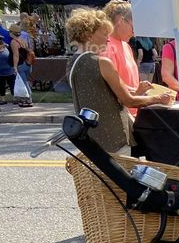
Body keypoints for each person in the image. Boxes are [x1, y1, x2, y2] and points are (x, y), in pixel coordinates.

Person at [65, 8, 171, 154]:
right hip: (114, 137)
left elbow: (101, 93)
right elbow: (129, 101)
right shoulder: (102, 63)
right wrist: (158, 98)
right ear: (89, 35)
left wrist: (136, 91)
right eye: (104, 34)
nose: (107, 39)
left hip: (90, 137)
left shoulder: (72, 63)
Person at [101, 1, 140, 116]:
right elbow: (112, 86)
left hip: (133, 111)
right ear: (121, 21)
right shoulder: (107, 47)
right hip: (121, 114)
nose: (134, 34)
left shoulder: (125, 45)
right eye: (133, 28)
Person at [8, 24, 32, 107]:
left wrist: (15, 66)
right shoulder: (22, 40)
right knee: (26, 82)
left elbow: (16, 55)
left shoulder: (13, 42)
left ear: (11, 32)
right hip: (27, 64)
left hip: (20, 65)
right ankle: (26, 99)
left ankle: (28, 100)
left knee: (23, 83)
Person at [0, 31, 16, 101]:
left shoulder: (6, 46)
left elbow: (12, 56)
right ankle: (3, 99)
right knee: (1, 85)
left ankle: (14, 98)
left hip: (9, 69)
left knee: (12, 84)